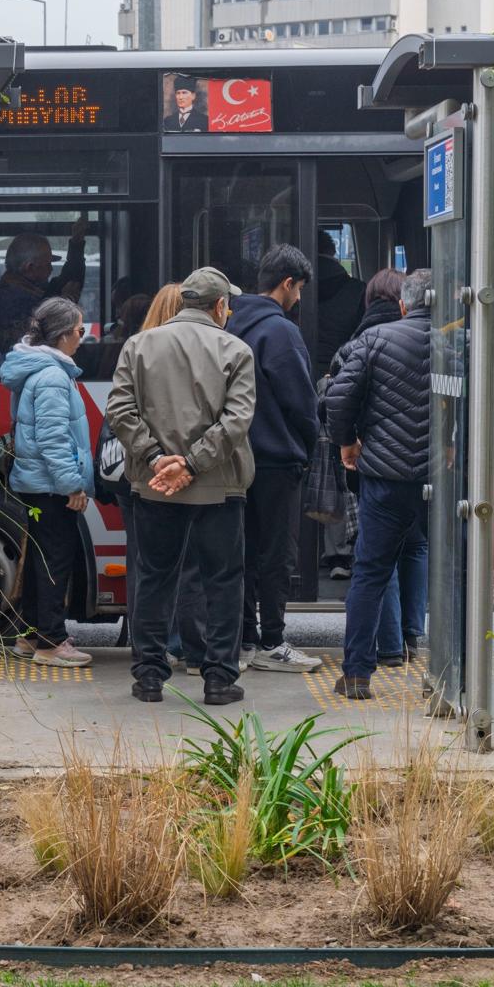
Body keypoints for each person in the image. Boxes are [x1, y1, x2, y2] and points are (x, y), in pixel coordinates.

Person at [107, 267, 256, 705]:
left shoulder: (138, 345)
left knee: (154, 578)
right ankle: (219, 679)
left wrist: (156, 459)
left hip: (153, 486)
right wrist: (192, 465)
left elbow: (119, 410)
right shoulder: (236, 350)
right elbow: (236, 421)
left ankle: (149, 677)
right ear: (220, 306)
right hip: (220, 487)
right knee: (223, 582)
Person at [325, 270, 436, 699]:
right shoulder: (462, 342)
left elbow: (338, 398)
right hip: (441, 481)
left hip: (385, 479)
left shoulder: (374, 340)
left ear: (404, 305)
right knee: (453, 574)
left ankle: (356, 675)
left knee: (370, 573)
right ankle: (453, 678)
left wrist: (347, 443)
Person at [226, 244, 323, 673]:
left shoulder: (230, 323)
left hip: (235, 459)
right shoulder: (281, 332)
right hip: (277, 460)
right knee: (277, 554)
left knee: (243, 551)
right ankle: (273, 641)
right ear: (287, 283)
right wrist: (308, 444)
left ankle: (245, 638)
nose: (298, 298)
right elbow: (301, 402)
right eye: (298, 289)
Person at [2, 298, 95, 668]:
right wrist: (72, 485)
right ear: (63, 334)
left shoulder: (36, 368)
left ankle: (30, 635)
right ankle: (51, 642)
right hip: (52, 485)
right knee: (55, 561)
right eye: (80, 330)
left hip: (36, 482)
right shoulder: (54, 376)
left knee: (39, 559)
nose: (82, 338)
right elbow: (54, 440)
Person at [321, 269, 407, 583]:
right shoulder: (431, 338)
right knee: (413, 547)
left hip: (369, 459)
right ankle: (412, 616)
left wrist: (346, 441)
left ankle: (341, 554)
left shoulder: (359, 344)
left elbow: (336, 401)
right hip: (421, 466)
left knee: (376, 558)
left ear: (368, 301)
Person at [0, 217, 88, 359]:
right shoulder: (11, 301)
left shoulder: (29, 290)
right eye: (48, 264)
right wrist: (64, 304)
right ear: (30, 267)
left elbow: (67, 282)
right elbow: (36, 338)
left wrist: (76, 244)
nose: (51, 269)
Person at [312, 230, 366, 376]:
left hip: (300, 367)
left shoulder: (292, 287)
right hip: (343, 371)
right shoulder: (358, 290)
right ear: (333, 251)